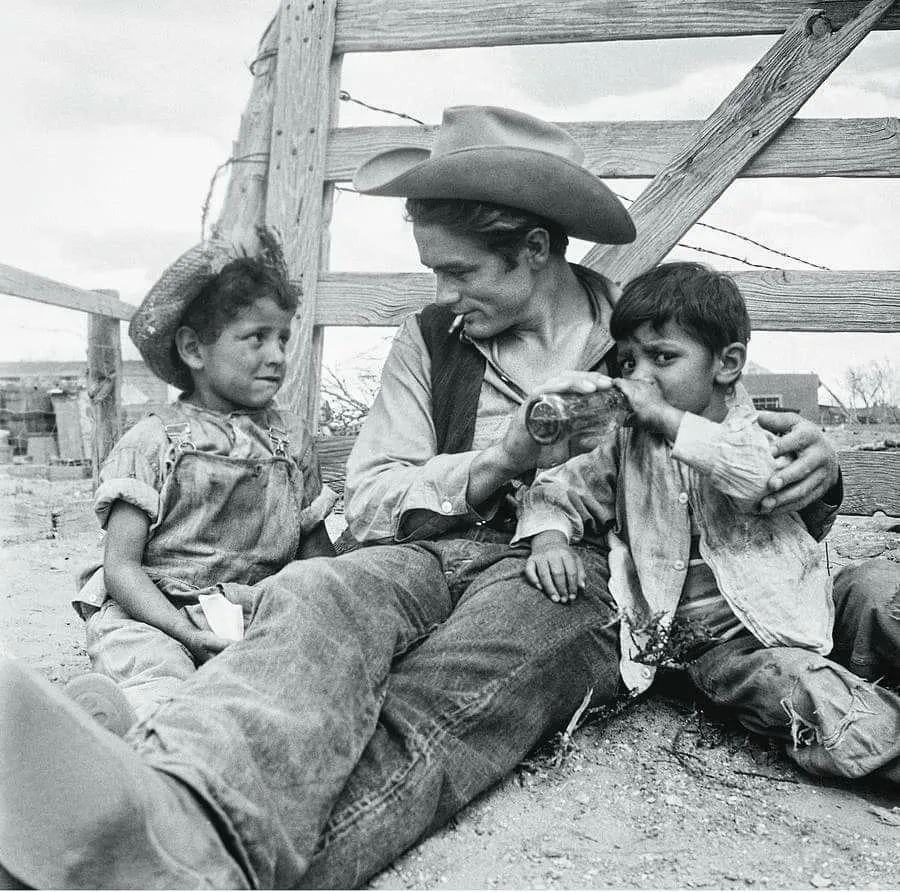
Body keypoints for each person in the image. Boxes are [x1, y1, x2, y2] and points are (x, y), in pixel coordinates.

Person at [0, 106, 895, 890]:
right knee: (315, 596)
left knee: (456, 684)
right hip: (429, 549)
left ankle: (189, 861)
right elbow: (371, 497)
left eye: (461, 271)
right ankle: (163, 797)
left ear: (534, 250)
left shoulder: (647, 339)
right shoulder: (429, 341)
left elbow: (730, 463)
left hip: (576, 574)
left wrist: (821, 471)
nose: (444, 293)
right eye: (435, 271)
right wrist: (501, 459)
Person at [516, 262, 900, 782]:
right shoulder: (625, 444)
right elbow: (559, 487)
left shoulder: (760, 431)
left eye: (662, 357)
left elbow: (758, 479)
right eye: (628, 361)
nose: (639, 377)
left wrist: (669, 420)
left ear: (727, 363)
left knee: (881, 588)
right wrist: (548, 540)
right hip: (719, 647)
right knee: (806, 690)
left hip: (805, 606)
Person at [68, 240, 336, 729]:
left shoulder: (291, 440)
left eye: (283, 339)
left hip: (251, 612)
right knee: (156, 674)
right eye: (256, 338)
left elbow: (316, 557)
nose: (277, 356)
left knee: (305, 680)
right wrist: (182, 630)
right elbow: (121, 568)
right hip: (155, 613)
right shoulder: (152, 442)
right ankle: (132, 731)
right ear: (194, 348)